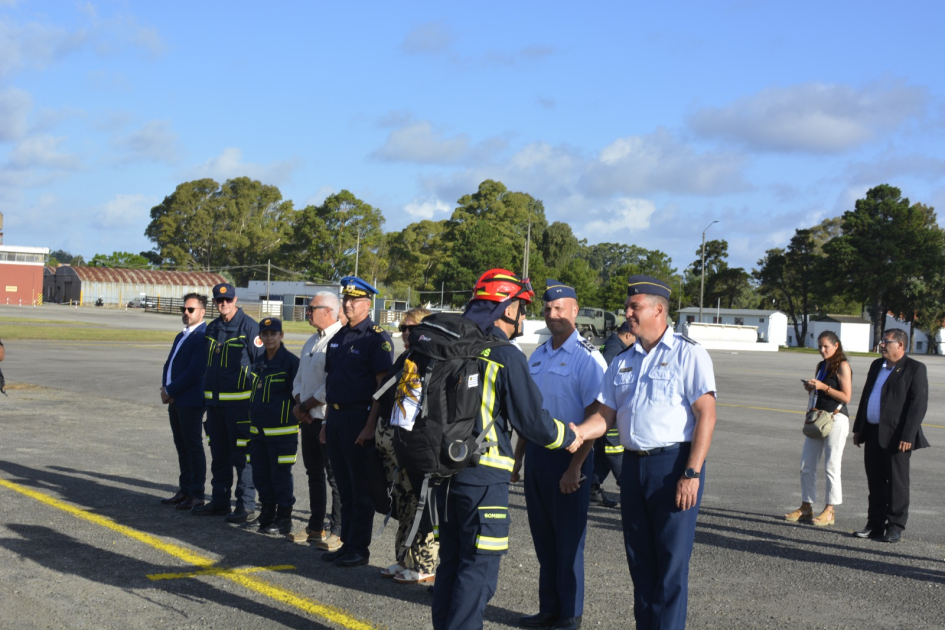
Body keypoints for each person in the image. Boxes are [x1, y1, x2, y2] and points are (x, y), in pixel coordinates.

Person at [432, 268, 584, 630]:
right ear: (507, 308)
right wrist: (568, 436)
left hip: (442, 475)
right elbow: (532, 422)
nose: (524, 316)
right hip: (482, 478)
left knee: (450, 564)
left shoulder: (446, 344)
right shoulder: (505, 355)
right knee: (479, 569)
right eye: (522, 307)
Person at [580, 275, 717, 630]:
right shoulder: (624, 361)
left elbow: (706, 413)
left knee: (671, 566)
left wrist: (692, 473)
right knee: (640, 563)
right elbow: (603, 416)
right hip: (633, 468)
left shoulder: (689, 353)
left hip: (673, 466)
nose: (627, 313)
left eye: (634, 307)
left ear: (659, 309)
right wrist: (575, 433)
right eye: (628, 307)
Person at [516, 281, 606, 630]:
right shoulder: (539, 354)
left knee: (568, 542)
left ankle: (570, 615)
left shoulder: (587, 357)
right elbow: (530, 414)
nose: (552, 315)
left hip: (570, 457)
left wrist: (575, 467)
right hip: (538, 456)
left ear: (574, 310)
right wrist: (519, 458)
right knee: (544, 539)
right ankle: (549, 610)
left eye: (559, 309)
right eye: (548, 309)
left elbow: (595, 417)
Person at [320, 276, 394, 568]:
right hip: (337, 416)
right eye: (346, 299)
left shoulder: (375, 338)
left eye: (355, 300)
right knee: (343, 484)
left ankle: (359, 549)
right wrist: (327, 422)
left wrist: (369, 426)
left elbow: (381, 388)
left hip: (359, 417)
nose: (348, 304)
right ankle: (347, 543)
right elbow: (332, 383)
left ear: (367, 303)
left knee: (360, 486)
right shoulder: (338, 337)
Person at [375, 307, 439, 584]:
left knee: (420, 503)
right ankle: (404, 557)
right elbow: (382, 394)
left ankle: (425, 563)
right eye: (402, 328)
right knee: (401, 501)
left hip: (417, 443)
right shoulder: (405, 357)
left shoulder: (433, 358)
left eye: (411, 328)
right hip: (396, 441)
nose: (405, 333)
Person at [851, 328, 930, 543]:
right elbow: (866, 397)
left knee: (897, 483)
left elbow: (918, 405)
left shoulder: (914, 368)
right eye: (882, 341)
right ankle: (875, 524)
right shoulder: (877, 365)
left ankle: (895, 527)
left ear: (900, 345)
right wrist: (858, 428)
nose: (882, 345)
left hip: (898, 436)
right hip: (873, 432)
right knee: (875, 482)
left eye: (886, 341)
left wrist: (908, 435)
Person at [194, 282, 262, 522]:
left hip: (241, 407)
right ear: (214, 303)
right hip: (215, 407)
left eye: (228, 300)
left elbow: (261, 365)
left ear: (235, 300)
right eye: (219, 301)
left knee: (242, 457)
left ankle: (245, 506)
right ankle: (220, 501)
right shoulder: (211, 329)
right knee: (219, 455)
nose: (224, 304)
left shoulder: (250, 328)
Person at [289, 292, 344, 550]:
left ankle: (338, 530)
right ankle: (315, 526)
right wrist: (301, 406)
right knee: (313, 473)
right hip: (307, 418)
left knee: (335, 477)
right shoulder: (312, 341)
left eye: (311, 308)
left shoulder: (339, 340)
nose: (308, 312)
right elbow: (299, 378)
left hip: (325, 419)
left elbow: (331, 384)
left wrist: (307, 406)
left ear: (329, 311)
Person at [785, 331, 852, 526]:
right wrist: (812, 388)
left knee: (832, 466)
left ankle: (830, 511)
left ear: (836, 346)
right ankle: (806, 506)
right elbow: (819, 391)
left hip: (836, 418)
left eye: (826, 347)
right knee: (806, 465)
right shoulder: (821, 366)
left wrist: (823, 387)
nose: (822, 350)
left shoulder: (843, 366)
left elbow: (846, 397)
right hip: (818, 419)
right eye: (820, 347)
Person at [248, 318, 301, 535]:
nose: (269, 337)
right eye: (265, 333)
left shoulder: (290, 362)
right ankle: (267, 514)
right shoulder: (258, 363)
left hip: (282, 433)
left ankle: (284, 519)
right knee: (261, 475)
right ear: (260, 337)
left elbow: (297, 395)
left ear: (281, 335)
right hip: (258, 432)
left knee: (280, 476)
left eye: (273, 333)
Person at [159, 293, 210, 511]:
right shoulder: (182, 335)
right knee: (181, 446)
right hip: (175, 399)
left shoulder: (203, 336)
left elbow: (195, 371)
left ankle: (197, 493)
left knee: (192, 446)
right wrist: (166, 388)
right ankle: (185, 489)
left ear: (202, 312)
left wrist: (170, 389)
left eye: (191, 310)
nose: (186, 313)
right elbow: (170, 364)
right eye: (184, 309)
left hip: (190, 399)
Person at [591, 320, 635, 508]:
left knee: (602, 453)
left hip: (606, 408)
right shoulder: (614, 351)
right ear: (627, 335)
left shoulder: (611, 345)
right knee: (615, 451)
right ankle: (630, 489)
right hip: (608, 409)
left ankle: (591, 488)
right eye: (635, 338)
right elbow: (607, 380)